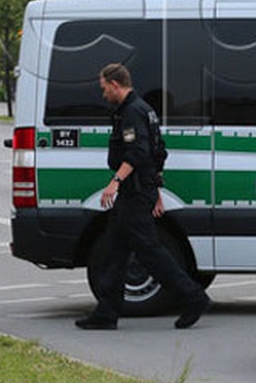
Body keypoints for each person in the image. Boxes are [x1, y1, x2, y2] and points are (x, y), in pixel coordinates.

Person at [75, 63, 211, 331]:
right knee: (114, 251)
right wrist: (156, 191)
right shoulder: (143, 110)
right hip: (140, 190)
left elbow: (137, 153)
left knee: (149, 251)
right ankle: (106, 312)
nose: (103, 95)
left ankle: (193, 297)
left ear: (115, 84)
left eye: (104, 89)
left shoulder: (132, 112)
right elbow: (158, 153)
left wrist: (115, 183)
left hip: (134, 193)